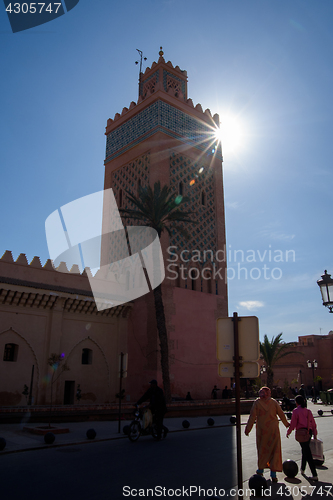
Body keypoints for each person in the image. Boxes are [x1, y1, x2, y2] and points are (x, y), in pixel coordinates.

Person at [245, 386, 290, 483]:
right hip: (273, 430)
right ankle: (273, 475)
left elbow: (252, 416)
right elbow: (281, 414)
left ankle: (260, 470)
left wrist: (248, 429)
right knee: (274, 450)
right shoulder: (273, 402)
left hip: (262, 430)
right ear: (269, 393)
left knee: (262, 449)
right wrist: (287, 424)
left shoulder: (257, 403)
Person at [286, 395, 318, 481]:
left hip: (301, 433)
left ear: (296, 402)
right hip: (308, 432)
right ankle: (302, 469)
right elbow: (313, 424)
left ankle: (314, 474)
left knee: (307, 452)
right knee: (305, 450)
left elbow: (293, 424)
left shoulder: (296, 411)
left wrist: (288, 432)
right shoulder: (308, 411)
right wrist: (315, 434)